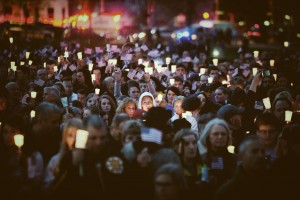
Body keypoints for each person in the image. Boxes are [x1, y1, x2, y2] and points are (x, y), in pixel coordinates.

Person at [198, 118, 237, 199]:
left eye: (223, 134)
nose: (220, 137)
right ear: (208, 136)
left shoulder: (235, 159)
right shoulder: (200, 159)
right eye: (216, 134)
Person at [173, 129, 201, 198]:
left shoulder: (204, 165)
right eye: (186, 144)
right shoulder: (174, 170)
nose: (191, 147)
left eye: (194, 143)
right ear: (177, 147)